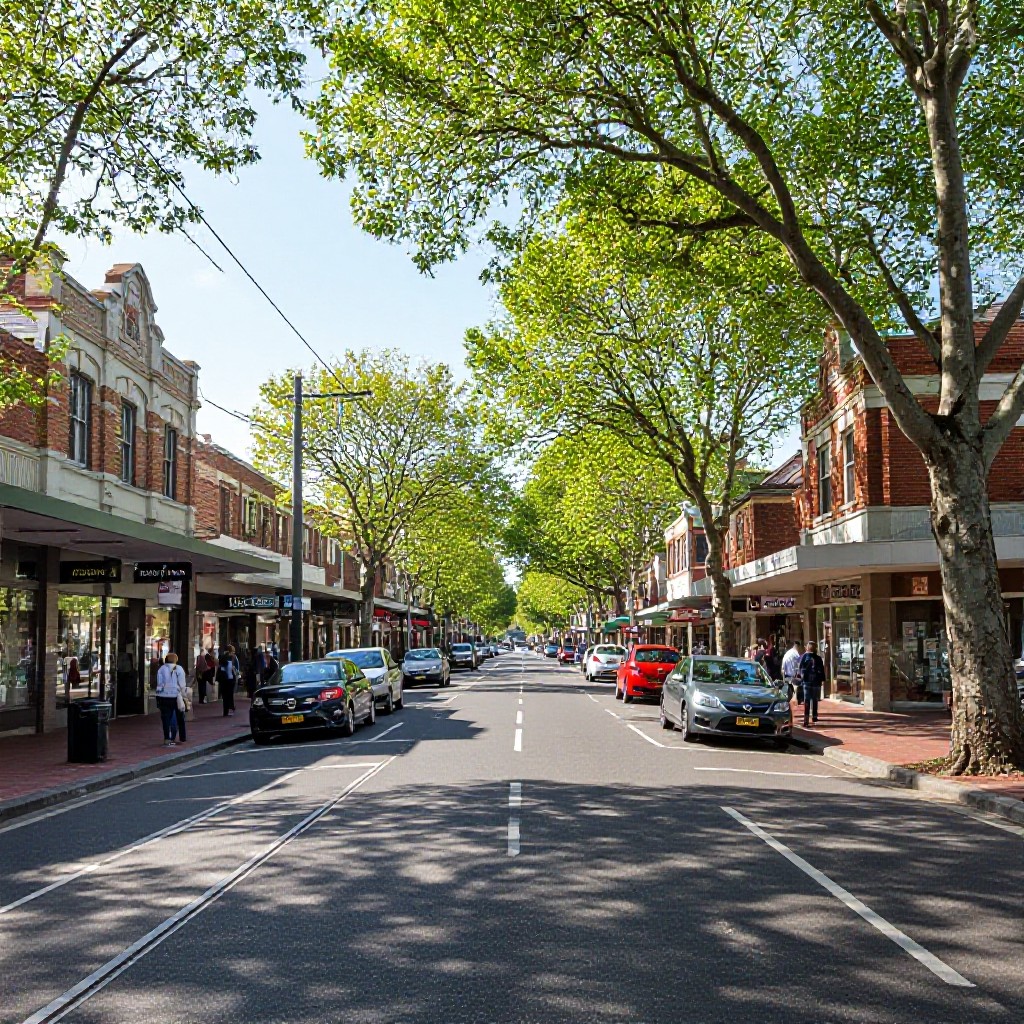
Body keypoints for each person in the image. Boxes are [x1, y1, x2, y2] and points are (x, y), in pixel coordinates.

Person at [155, 653, 187, 747]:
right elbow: (182, 683)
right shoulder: (179, 668)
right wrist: (184, 694)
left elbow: (159, 683)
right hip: (176, 696)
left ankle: (166, 738)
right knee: (180, 717)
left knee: (165, 718)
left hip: (163, 696)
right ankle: (182, 737)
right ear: (175, 660)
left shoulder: (161, 669)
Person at [797, 640, 827, 726]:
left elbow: (799, 668)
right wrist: (822, 680)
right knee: (815, 699)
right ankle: (814, 716)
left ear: (808, 648)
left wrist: (801, 677)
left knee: (807, 700)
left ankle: (806, 719)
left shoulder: (804, 657)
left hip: (806, 682)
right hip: (816, 682)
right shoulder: (818, 658)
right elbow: (821, 670)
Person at [218, 645, 240, 717]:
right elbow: (236, 668)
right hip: (230, 679)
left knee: (225, 695)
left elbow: (220, 667)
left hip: (224, 679)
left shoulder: (222, 657)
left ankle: (226, 710)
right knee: (229, 694)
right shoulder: (233, 658)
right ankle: (230, 708)